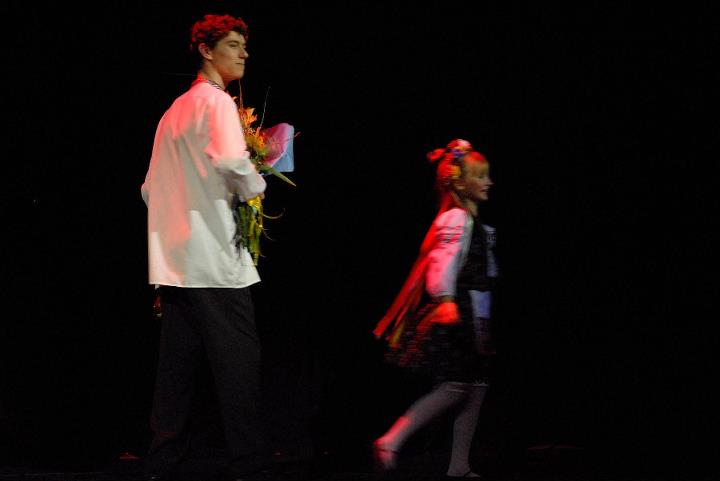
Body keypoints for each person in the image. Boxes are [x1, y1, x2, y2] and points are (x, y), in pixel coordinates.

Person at [140, 13, 270, 481]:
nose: (243, 53)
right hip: (213, 259)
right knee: (239, 365)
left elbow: (149, 189)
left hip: (176, 261)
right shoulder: (216, 104)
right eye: (233, 44)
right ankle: (249, 465)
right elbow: (233, 162)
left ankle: (162, 463)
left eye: (244, 45)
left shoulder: (174, 110)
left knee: (176, 371)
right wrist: (257, 186)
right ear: (205, 50)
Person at [372, 139, 498, 479]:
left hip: (477, 315)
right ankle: (391, 440)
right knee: (456, 385)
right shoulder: (456, 219)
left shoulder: (474, 224)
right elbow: (441, 263)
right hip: (459, 312)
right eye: (480, 176)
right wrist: (445, 300)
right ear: (460, 183)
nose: (488, 182)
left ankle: (459, 465)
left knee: (477, 386)